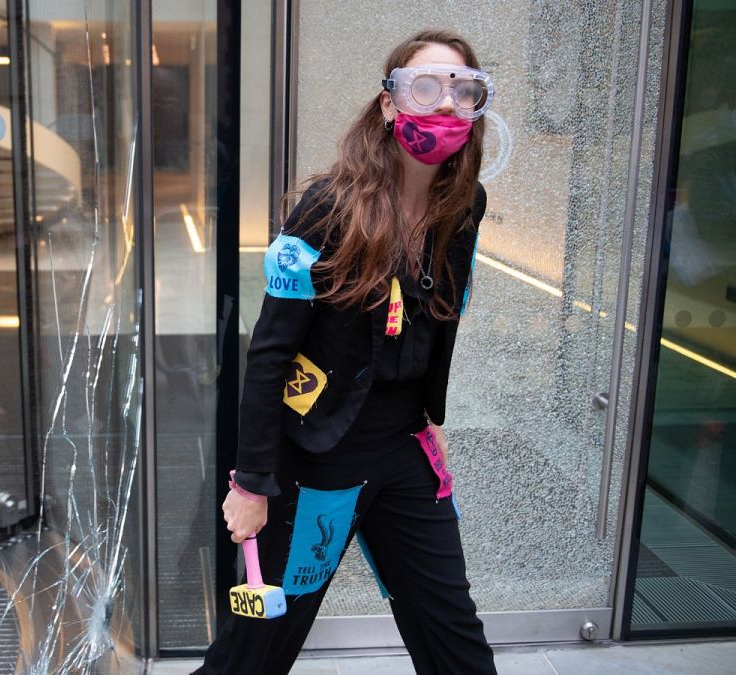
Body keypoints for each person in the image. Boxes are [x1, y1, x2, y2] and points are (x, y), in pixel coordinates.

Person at [195, 30, 497, 674]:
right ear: (389, 104)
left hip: (404, 451)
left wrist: (431, 418)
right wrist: (251, 483)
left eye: (463, 89)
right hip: (317, 457)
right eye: (427, 86)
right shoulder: (326, 210)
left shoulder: (464, 205)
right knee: (256, 651)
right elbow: (269, 354)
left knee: (454, 635)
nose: (446, 103)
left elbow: (440, 321)